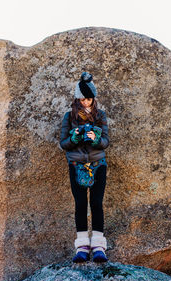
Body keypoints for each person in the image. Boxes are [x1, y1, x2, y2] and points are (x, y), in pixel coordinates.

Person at [60, 72, 109, 263]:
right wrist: (74, 138)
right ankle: (81, 247)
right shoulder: (68, 117)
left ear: (93, 98)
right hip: (76, 165)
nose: (86, 102)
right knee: (80, 205)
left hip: (98, 165)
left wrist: (95, 139)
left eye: (89, 98)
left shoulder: (100, 116)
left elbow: (105, 142)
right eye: (82, 98)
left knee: (96, 204)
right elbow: (63, 143)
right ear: (77, 98)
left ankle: (99, 247)